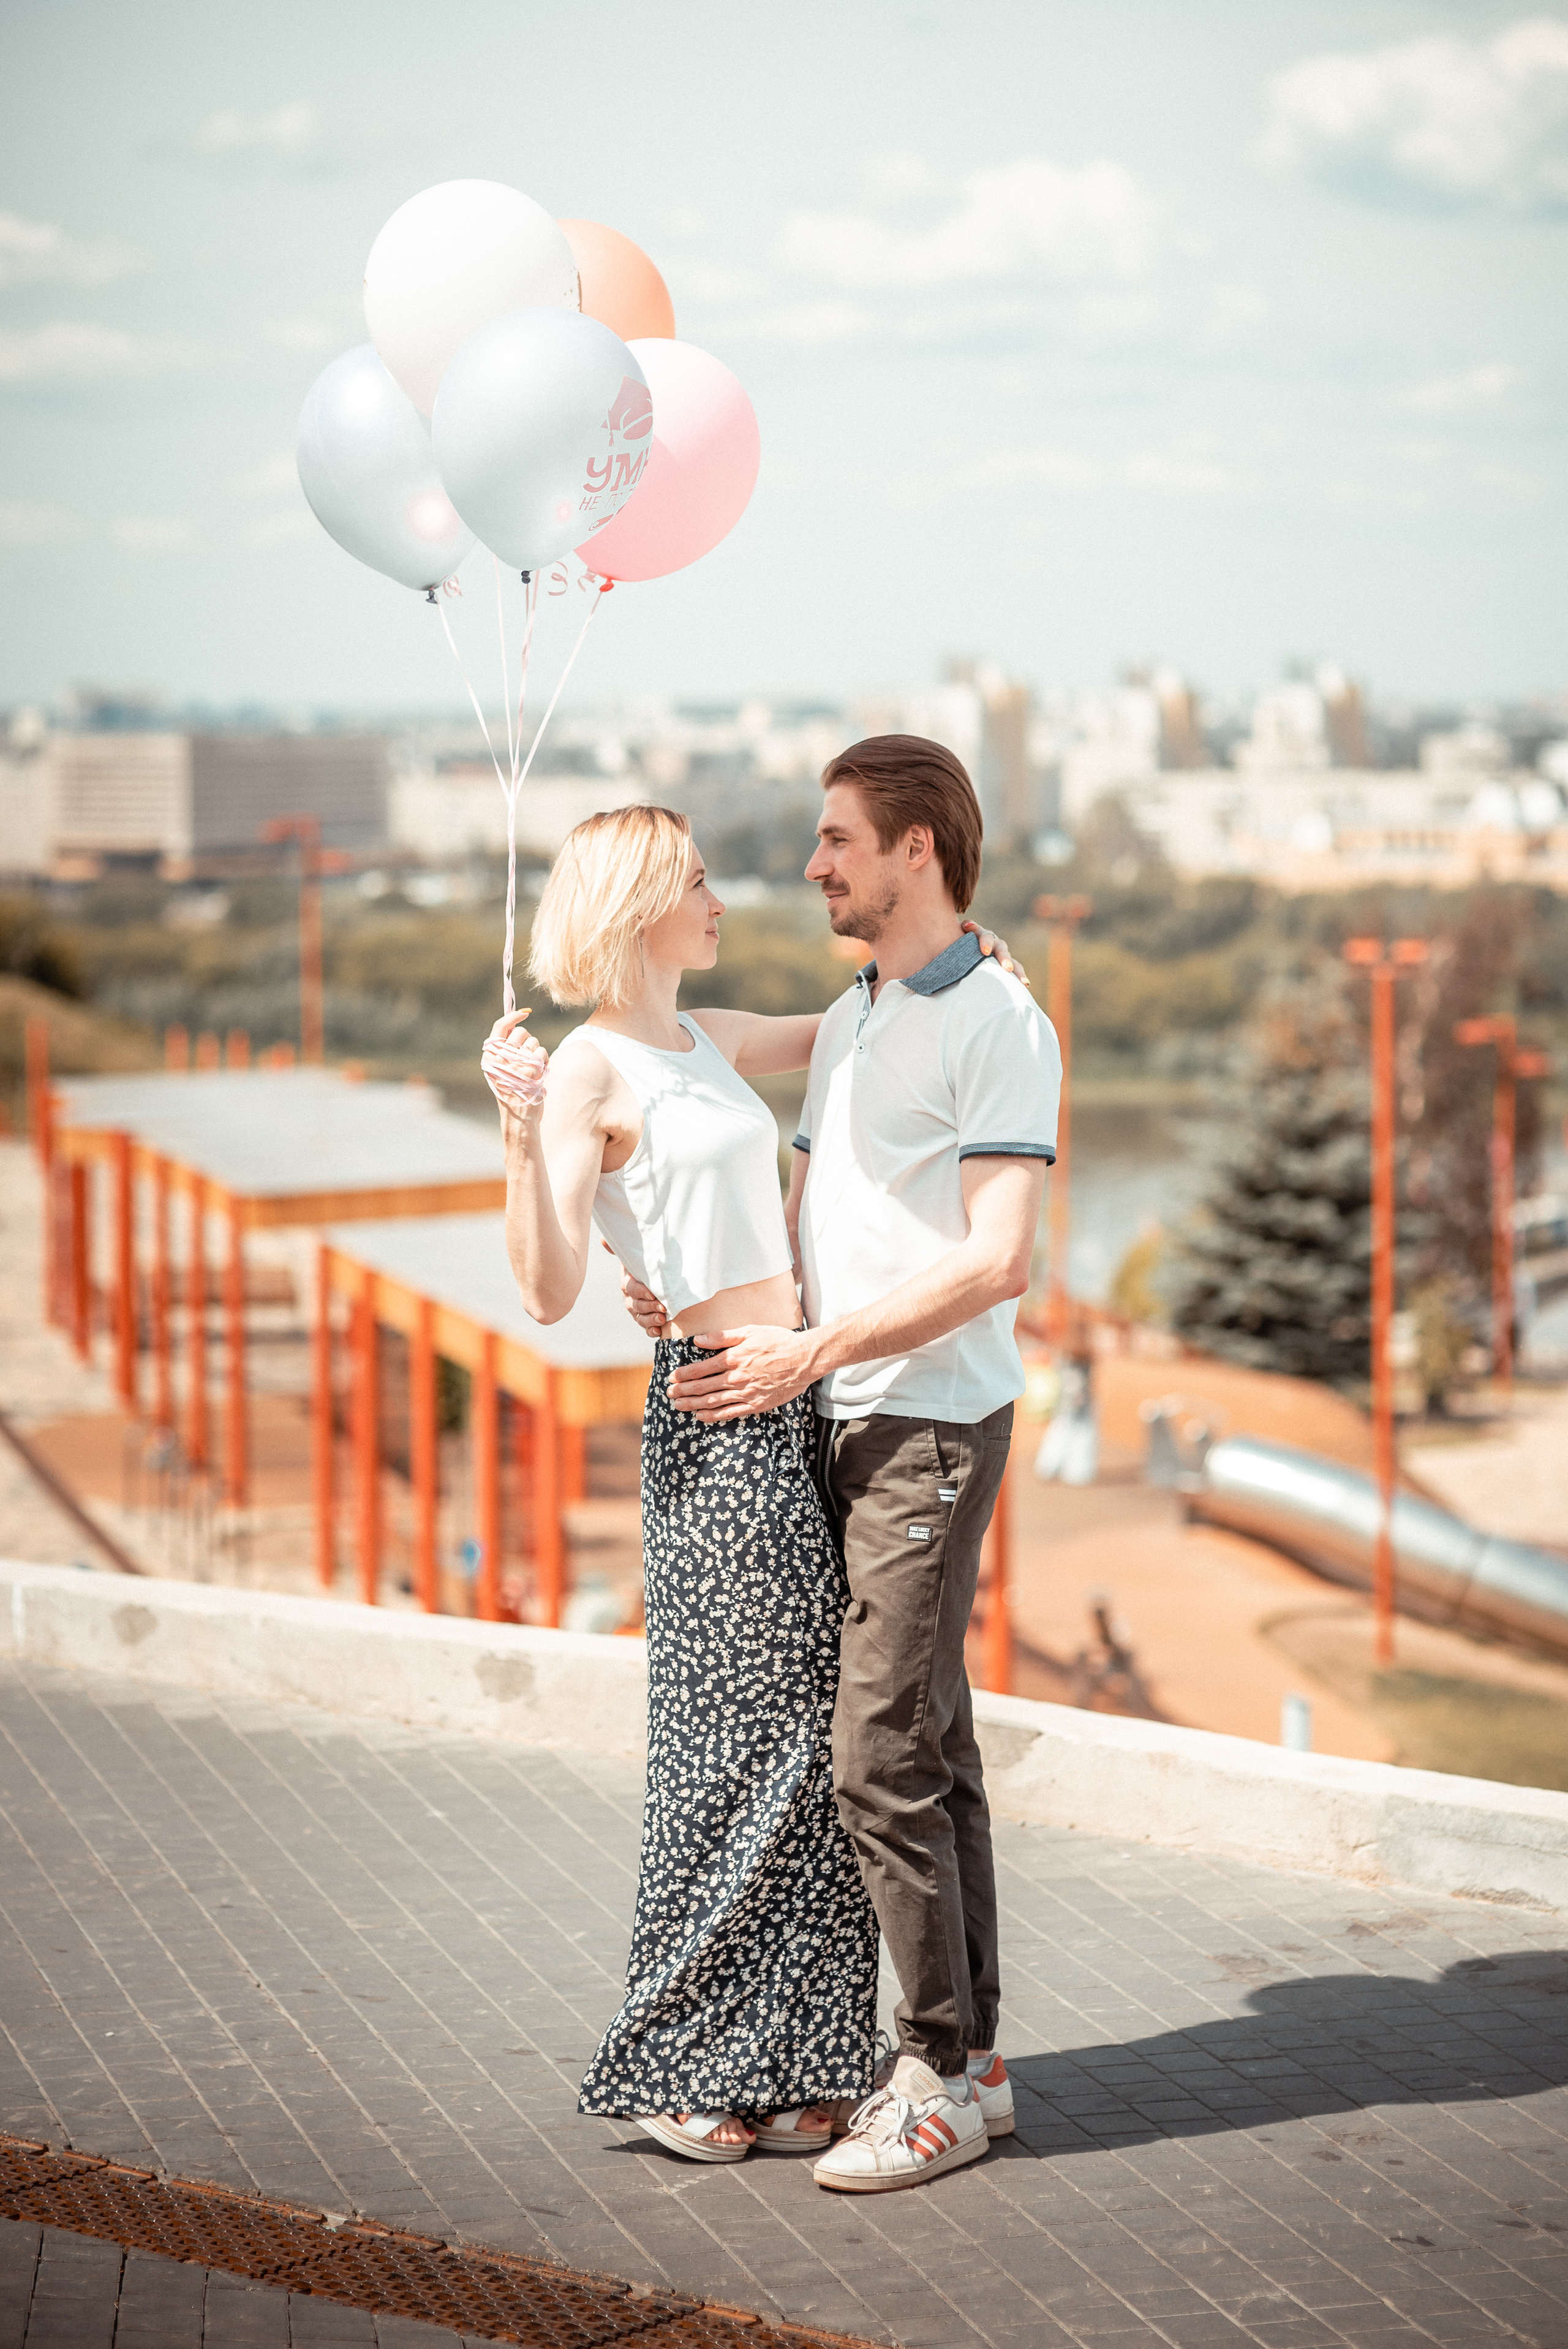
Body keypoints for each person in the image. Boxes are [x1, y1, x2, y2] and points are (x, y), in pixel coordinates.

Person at [484, 803, 1019, 2166]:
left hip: (796, 1403)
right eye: (700, 882)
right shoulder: (592, 1073)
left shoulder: (708, 1041)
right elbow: (547, 1291)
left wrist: (969, 952)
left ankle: (792, 2062)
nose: (723, 899)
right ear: (642, 901)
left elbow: (864, 1019)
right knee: (721, 1753)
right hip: (717, 1409)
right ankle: (679, 2064)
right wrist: (515, 1126)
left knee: (806, 1760)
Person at [625, 737, 1061, 2193]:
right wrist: (706, 1302)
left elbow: (1001, 1260)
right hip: (842, 1408)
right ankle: (978, 2066)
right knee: (929, 1749)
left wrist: (812, 1356)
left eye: (835, 841)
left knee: (876, 1757)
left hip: (924, 1424)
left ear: (915, 849)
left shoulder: (997, 1020)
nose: (811, 865)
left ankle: (928, 2075)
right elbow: (803, 1207)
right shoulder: (866, 1004)